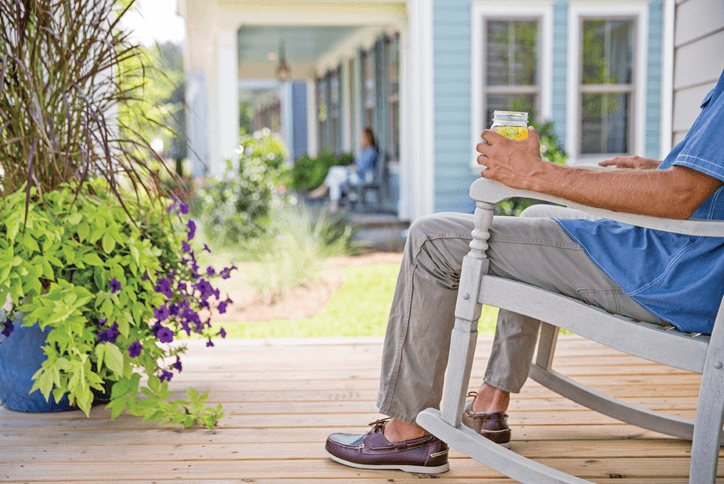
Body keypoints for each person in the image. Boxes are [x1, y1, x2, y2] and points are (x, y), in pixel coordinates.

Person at [324, 68, 724, 474]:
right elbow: (699, 187)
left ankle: (405, 433)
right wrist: (660, 169)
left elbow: (681, 194)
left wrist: (536, 173)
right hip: (676, 261)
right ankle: (489, 406)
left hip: (664, 272)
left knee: (430, 239)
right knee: (534, 217)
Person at [308, 128, 378, 213]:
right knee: (335, 179)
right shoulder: (365, 151)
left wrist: (351, 168)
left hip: (362, 177)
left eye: (363, 138)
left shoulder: (371, 151)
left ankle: (324, 192)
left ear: (368, 138)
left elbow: (361, 167)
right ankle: (333, 204)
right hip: (356, 175)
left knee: (334, 171)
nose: (362, 140)